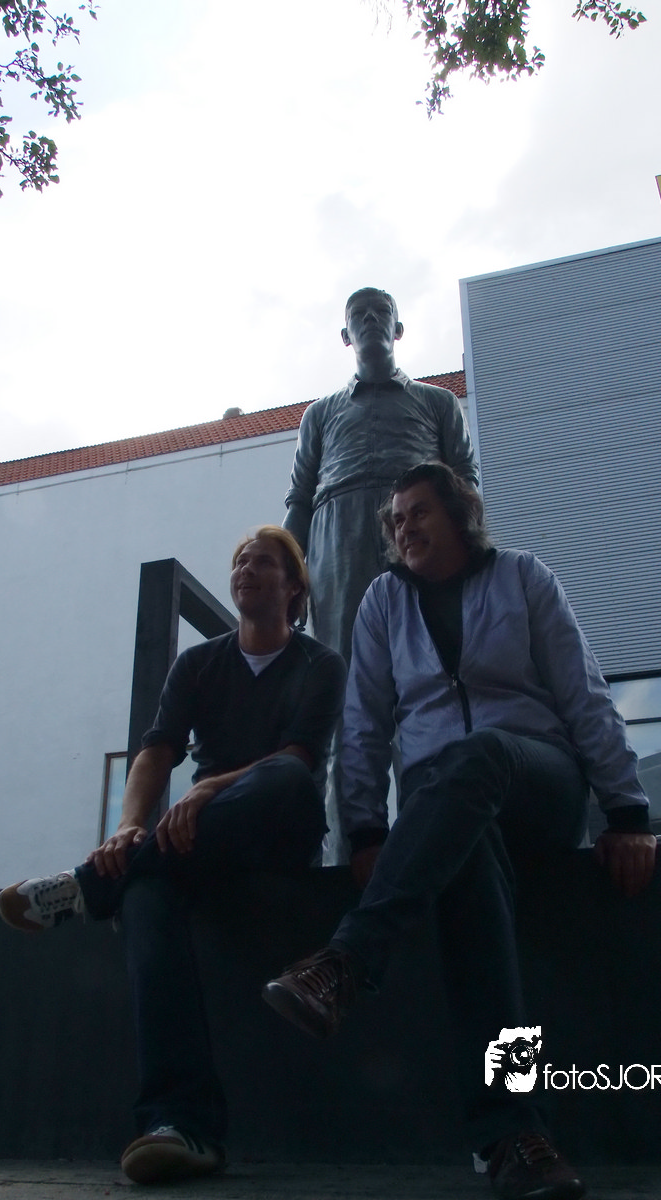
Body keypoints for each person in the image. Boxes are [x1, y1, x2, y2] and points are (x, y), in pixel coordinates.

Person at [263, 464, 657, 1200]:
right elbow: (365, 722)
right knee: (468, 871)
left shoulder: (523, 577)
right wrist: (365, 828)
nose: (404, 527)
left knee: (479, 753)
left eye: (419, 512)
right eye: (396, 520)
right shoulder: (382, 601)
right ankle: (515, 1136)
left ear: (459, 514)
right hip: (444, 812)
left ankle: (347, 960)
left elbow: (583, 692)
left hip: (535, 779)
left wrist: (626, 811)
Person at [0, 527, 346, 1186]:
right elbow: (156, 751)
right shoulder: (198, 665)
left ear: (294, 588)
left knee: (287, 778)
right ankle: (179, 1125)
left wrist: (209, 788)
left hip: (274, 829)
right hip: (194, 847)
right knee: (144, 895)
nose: (245, 569)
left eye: (262, 562)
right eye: (239, 561)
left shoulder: (319, 664)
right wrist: (129, 828)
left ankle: (85, 889)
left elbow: (299, 758)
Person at [283, 287, 478, 859]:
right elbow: (300, 497)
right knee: (346, 699)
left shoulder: (438, 403)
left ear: (398, 329)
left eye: (381, 313)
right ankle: (349, 856)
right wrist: (291, 576)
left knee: (429, 687)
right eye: (358, 316)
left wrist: (469, 563)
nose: (370, 321)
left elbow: (465, 483)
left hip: (416, 541)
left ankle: (427, 854)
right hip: (337, 543)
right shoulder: (320, 414)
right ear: (346, 336)